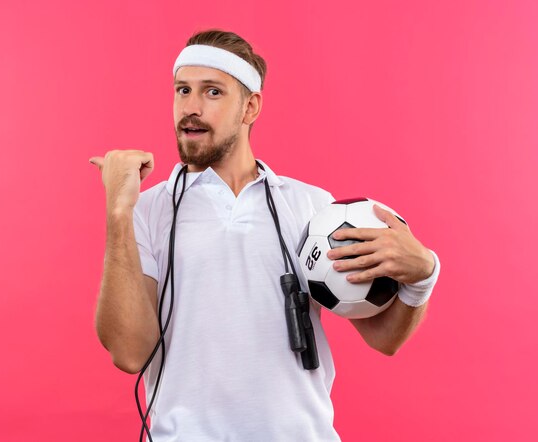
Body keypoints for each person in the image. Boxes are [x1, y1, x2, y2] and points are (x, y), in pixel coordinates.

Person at [89, 29, 440, 441]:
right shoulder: (147, 211)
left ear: (250, 107)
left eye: (213, 92)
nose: (191, 107)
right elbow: (129, 353)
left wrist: (423, 276)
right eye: (183, 90)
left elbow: (384, 337)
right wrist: (118, 210)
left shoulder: (315, 210)